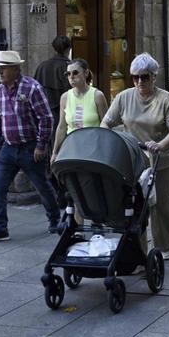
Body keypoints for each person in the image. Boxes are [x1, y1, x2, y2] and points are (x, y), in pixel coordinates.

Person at [101, 53, 169, 260]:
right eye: (135, 77)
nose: (139, 81)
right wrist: (110, 140)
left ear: (154, 76)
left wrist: (160, 144)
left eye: (144, 77)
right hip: (133, 160)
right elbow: (106, 122)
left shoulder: (165, 99)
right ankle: (139, 251)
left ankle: (164, 247)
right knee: (135, 206)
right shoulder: (124, 97)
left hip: (160, 161)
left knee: (160, 205)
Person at [0, 50, 60, 243]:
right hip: (8, 148)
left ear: (16, 69)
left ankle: (55, 219)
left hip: (30, 148)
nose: (0, 72)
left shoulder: (32, 88)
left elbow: (46, 118)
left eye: (4, 68)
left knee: (42, 185)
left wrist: (41, 145)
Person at [50, 59, 109, 224]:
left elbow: (106, 124)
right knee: (76, 192)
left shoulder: (97, 96)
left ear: (86, 73)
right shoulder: (65, 97)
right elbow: (62, 126)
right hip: (72, 150)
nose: (71, 77)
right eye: (68, 74)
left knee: (94, 190)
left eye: (75, 73)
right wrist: (55, 152)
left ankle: (98, 227)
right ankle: (78, 231)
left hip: (92, 151)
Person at [34, 36, 73, 208]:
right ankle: (63, 192)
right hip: (62, 116)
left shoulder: (42, 66)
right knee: (62, 153)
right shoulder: (69, 68)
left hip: (44, 115)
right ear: (68, 49)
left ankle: (53, 192)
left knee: (50, 153)